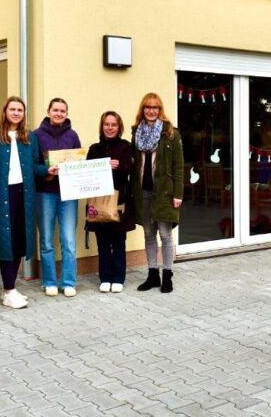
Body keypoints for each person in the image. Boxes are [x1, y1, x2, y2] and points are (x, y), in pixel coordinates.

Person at [0, 96, 48, 309]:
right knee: (6, 241)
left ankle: (9, 288)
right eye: (12, 109)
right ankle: (9, 289)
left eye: (20, 110)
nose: (16, 113)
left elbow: (35, 165)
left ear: (24, 114)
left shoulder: (29, 137)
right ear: (5, 111)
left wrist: (48, 170)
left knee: (19, 240)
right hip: (2, 196)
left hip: (23, 195)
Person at [132, 93, 184, 293]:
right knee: (148, 234)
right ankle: (153, 274)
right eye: (148, 107)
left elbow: (178, 166)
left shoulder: (171, 133)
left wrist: (178, 194)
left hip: (164, 193)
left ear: (160, 110)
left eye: (155, 107)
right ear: (143, 109)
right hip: (143, 192)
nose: (151, 111)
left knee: (165, 234)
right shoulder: (136, 133)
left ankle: (167, 275)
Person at [33, 98, 82, 297]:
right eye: (55, 110)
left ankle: (68, 282)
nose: (59, 114)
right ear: (48, 111)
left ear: (67, 113)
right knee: (46, 240)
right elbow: (32, 165)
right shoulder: (36, 135)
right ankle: (49, 281)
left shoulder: (72, 135)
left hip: (69, 194)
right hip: (45, 192)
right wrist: (47, 171)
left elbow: (79, 162)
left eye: (62, 111)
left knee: (68, 240)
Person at [85, 111, 135, 293]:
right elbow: (87, 172)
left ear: (119, 127)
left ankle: (119, 277)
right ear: (102, 126)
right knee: (103, 241)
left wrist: (120, 166)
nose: (110, 128)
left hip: (119, 201)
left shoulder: (125, 146)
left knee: (119, 241)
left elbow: (131, 168)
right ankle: (105, 277)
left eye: (113, 124)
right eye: (107, 124)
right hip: (98, 201)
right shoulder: (94, 149)